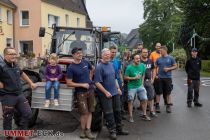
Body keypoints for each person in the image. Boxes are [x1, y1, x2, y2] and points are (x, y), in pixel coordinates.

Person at [0, 47, 37, 139]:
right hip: (8, 95)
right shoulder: (1, 66)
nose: (14, 56)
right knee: (8, 117)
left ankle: (21, 133)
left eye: (15, 54)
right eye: (11, 54)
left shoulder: (15, 64)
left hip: (19, 94)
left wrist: (31, 83)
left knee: (27, 113)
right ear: (5, 55)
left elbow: (22, 73)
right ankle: (8, 135)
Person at [94, 48, 129, 140]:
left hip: (115, 92)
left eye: (109, 55)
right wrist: (105, 92)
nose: (108, 56)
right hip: (105, 94)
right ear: (102, 55)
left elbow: (114, 78)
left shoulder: (112, 65)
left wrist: (118, 88)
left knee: (117, 111)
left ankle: (119, 129)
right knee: (109, 113)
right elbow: (97, 82)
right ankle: (112, 131)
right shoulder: (99, 67)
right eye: (106, 55)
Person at [66, 47, 95, 139]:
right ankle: (82, 130)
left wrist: (90, 78)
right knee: (84, 113)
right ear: (73, 55)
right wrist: (82, 85)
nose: (80, 54)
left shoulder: (86, 62)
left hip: (90, 90)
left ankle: (88, 130)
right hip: (80, 93)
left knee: (90, 111)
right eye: (78, 53)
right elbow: (69, 83)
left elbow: (92, 68)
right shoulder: (71, 68)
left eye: (81, 53)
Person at [124, 53, 151, 122]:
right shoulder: (129, 67)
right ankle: (130, 116)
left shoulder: (142, 65)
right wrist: (134, 78)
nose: (138, 60)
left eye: (139, 58)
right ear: (133, 60)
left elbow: (143, 74)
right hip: (131, 87)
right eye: (136, 59)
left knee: (144, 99)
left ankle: (144, 115)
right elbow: (125, 77)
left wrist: (142, 83)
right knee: (130, 100)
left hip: (140, 86)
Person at [155, 45, 177, 113]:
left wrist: (168, 69)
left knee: (168, 92)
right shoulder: (158, 59)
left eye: (161, 50)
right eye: (159, 51)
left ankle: (168, 106)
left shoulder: (171, 58)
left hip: (168, 78)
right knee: (158, 92)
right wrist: (156, 74)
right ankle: (157, 106)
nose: (160, 52)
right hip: (160, 78)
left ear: (165, 50)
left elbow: (175, 66)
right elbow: (155, 67)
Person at [141, 48, 157, 117]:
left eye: (146, 52)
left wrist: (153, 79)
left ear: (148, 53)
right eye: (144, 52)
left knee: (151, 96)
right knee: (143, 98)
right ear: (141, 53)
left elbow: (153, 70)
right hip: (140, 82)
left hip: (149, 81)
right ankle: (144, 113)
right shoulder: (139, 61)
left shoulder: (150, 61)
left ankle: (151, 111)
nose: (145, 53)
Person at [109, 46, 125, 118]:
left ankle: (120, 114)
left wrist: (121, 81)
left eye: (115, 52)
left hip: (118, 81)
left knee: (120, 99)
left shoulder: (117, 61)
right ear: (109, 52)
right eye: (112, 52)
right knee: (112, 100)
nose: (114, 54)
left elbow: (119, 72)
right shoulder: (106, 61)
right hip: (110, 83)